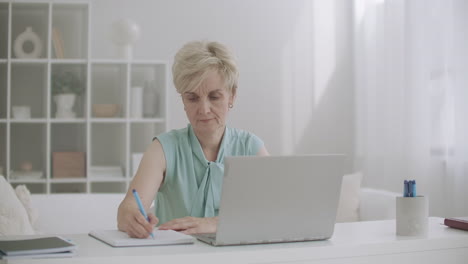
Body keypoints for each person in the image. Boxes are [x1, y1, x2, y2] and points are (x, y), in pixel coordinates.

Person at [117, 41, 269, 238]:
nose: (204, 109)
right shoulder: (163, 149)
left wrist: (214, 224)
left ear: (232, 96)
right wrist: (130, 218)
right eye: (193, 98)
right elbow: (127, 209)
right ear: (183, 101)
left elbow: (274, 214)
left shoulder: (251, 148)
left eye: (214, 97)